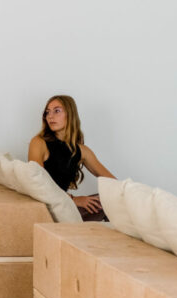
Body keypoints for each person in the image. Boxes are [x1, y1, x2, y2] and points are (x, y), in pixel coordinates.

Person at [28, 94, 115, 222]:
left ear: (70, 114)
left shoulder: (82, 151)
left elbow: (113, 181)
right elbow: (38, 182)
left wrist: (132, 194)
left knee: (113, 199)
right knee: (109, 204)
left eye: (57, 111)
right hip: (51, 208)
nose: (50, 116)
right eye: (47, 112)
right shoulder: (39, 142)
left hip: (67, 206)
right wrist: (74, 200)